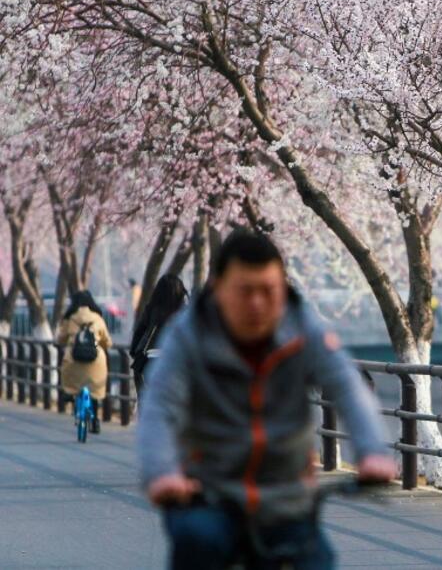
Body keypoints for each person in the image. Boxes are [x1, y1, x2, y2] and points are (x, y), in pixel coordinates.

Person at [137, 230, 395, 570]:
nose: (257, 303)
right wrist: (162, 471)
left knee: (318, 561)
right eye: (245, 291)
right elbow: (160, 405)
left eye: (268, 291)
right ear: (218, 287)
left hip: (287, 496)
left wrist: (372, 450)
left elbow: (347, 384)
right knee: (199, 541)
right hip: (208, 493)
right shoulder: (189, 334)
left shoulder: (302, 326)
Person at [58, 290, 114, 434]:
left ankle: (69, 394)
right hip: (95, 361)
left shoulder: (70, 318)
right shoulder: (98, 319)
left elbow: (60, 339)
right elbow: (108, 342)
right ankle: (95, 421)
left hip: (74, 359)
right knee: (94, 391)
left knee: (68, 373)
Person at [130, 274, 189, 400]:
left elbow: (139, 332)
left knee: (147, 398)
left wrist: (135, 351)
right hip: (175, 361)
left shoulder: (152, 308)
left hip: (148, 360)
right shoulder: (184, 312)